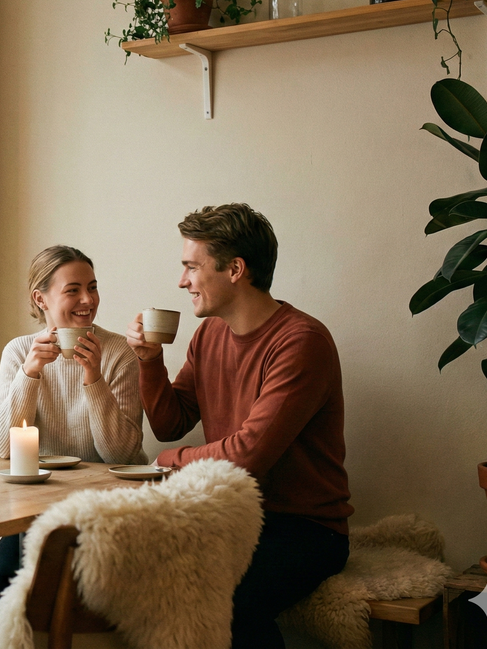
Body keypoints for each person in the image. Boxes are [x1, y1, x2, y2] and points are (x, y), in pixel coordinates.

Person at [125, 203, 353, 649]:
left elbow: (248, 455)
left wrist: (167, 464)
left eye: (192, 267)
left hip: (305, 529)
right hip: (232, 515)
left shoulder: (301, 342)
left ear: (235, 269)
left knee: (226, 601)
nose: (182, 281)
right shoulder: (208, 335)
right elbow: (170, 423)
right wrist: (150, 362)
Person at [0, 245, 146, 643]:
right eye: (73, 290)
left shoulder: (118, 354)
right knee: (33, 521)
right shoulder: (18, 352)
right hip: (39, 500)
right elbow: (2, 446)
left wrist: (93, 378)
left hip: (106, 507)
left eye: (92, 288)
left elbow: (123, 454)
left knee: (34, 525)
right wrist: (30, 373)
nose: (88, 301)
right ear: (40, 299)